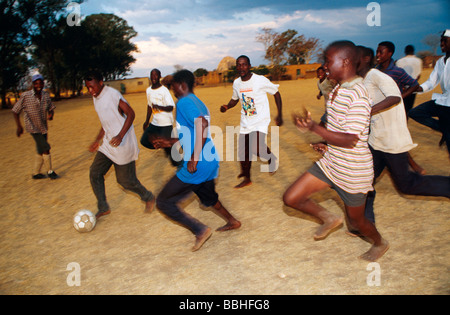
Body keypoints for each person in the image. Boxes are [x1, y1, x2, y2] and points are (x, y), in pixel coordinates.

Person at [283, 41, 389, 262]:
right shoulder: (338, 89)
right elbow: (340, 128)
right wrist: (325, 141)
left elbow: (351, 139)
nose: (325, 65)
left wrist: (314, 128)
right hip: (332, 162)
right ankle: (329, 218)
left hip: (353, 171)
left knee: (357, 223)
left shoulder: (358, 94)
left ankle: (380, 243)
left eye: (329, 61)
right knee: (291, 197)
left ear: (346, 61)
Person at [357, 46, 450, 225]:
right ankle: (363, 224)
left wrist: (369, 111)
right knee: (363, 182)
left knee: (407, 184)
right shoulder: (365, 78)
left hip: (391, 136)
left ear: (365, 59)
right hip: (377, 138)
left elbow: (396, 97)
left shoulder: (384, 74)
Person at [153, 70, 241, 252]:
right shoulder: (198, 101)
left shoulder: (184, 102)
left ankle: (200, 230)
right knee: (208, 198)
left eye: (174, 87)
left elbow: (201, 124)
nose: (173, 90)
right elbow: (192, 132)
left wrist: (193, 157)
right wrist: (169, 142)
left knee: (163, 202)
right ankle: (233, 221)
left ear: (182, 86)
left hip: (198, 163)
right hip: (210, 160)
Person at [84, 71, 155, 219]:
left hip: (123, 143)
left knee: (125, 181)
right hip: (109, 144)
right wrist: (97, 140)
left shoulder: (113, 95)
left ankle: (148, 197)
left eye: (92, 86)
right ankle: (103, 207)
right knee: (95, 172)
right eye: (87, 87)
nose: (90, 90)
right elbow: (105, 122)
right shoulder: (95, 98)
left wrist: (120, 135)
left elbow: (131, 114)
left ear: (101, 82)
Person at [220, 55, 283, 188]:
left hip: (260, 120)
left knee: (256, 148)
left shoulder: (259, 80)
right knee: (243, 152)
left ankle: (271, 158)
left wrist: (280, 114)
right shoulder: (237, 83)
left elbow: (276, 93)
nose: (241, 67)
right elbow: (235, 99)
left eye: (244, 64)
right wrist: (227, 106)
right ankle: (247, 178)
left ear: (249, 66)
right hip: (246, 120)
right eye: (238, 65)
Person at [376, 41, 424, 174]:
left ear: (390, 53)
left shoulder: (397, 71)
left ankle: (413, 166)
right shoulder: (375, 70)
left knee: (394, 139)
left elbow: (414, 84)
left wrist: (401, 97)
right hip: (377, 111)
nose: (378, 55)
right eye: (377, 51)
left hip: (392, 112)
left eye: (381, 52)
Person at [409, 30, 450, 157]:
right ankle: (443, 129)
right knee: (415, 112)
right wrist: (418, 88)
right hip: (442, 102)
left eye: (445, 40)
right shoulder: (440, 62)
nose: (441, 43)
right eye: (441, 40)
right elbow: (431, 82)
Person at [12, 74, 59, 180]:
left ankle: (36, 173)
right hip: (32, 127)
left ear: (43, 83)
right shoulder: (25, 95)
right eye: (36, 83)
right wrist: (19, 126)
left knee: (40, 149)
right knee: (46, 147)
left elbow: (51, 108)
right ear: (33, 84)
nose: (38, 85)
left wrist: (51, 114)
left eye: (40, 83)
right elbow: (15, 111)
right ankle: (50, 171)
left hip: (43, 126)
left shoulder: (46, 95)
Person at [140, 69, 181, 167]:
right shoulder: (148, 90)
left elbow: (171, 107)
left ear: (159, 76)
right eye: (152, 75)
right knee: (144, 140)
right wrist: (146, 121)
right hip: (155, 123)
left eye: (156, 75)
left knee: (173, 157)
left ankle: (182, 165)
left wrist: (159, 107)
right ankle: (163, 144)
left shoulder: (164, 90)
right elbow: (150, 106)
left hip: (166, 123)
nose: (154, 77)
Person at [396, 45, 423, 114]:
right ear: (413, 51)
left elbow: (397, 76)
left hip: (402, 89)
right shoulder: (418, 61)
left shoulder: (399, 61)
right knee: (408, 109)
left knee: (401, 109)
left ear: (405, 51)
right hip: (413, 89)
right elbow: (418, 75)